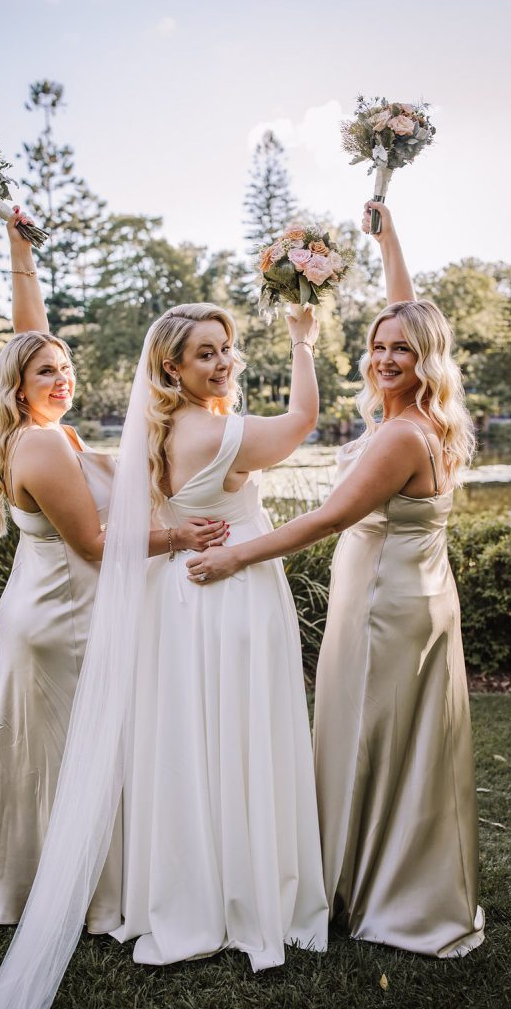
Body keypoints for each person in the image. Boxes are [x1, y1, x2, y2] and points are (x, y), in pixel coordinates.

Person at [187, 202, 485, 958]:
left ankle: (372, 889)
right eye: (380, 346)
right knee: (400, 744)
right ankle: (384, 876)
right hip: (415, 597)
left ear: (428, 360)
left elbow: (324, 521)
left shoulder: (397, 437)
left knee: (366, 738)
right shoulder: (429, 418)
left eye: (402, 352)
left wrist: (233, 556)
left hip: (385, 607)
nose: (385, 358)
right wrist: (390, 243)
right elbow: (407, 313)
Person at [0, 211, 226, 933]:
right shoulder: (41, 446)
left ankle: (33, 888)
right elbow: (93, 544)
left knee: (63, 753)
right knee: (68, 756)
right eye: (46, 372)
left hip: (53, 609)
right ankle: (77, 895)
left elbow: (33, 336)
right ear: (19, 386)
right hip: (62, 617)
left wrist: (21, 255)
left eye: (66, 367)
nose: (63, 377)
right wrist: (179, 536)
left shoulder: (50, 430)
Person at [111, 302, 329, 968]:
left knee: (192, 740)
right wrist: (302, 341)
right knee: (241, 734)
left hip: (180, 593)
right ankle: (246, 892)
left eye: (224, 348)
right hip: (232, 591)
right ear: (170, 367)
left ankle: (191, 887)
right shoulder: (212, 432)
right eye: (204, 353)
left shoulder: (162, 430)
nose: (223, 362)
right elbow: (301, 423)